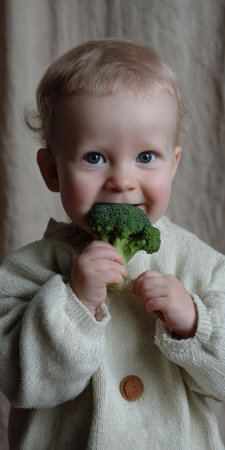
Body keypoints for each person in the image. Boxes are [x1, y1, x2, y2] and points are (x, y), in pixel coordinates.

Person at [0, 39, 225, 450]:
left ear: (173, 164)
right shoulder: (27, 270)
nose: (122, 180)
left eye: (145, 156)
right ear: (51, 170)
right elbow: (20, 382)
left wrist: (195, 322)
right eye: (94, 158)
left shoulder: (199, 263)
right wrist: (74, 304)